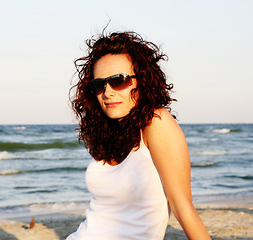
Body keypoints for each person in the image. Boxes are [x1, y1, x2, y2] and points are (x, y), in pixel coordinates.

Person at [67, 31, 211, 240]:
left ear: (142, 81)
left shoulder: (156, 122)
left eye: (119, 80)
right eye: (99, 85)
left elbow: (183, 208)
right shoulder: (110, 132)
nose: (107, 92)